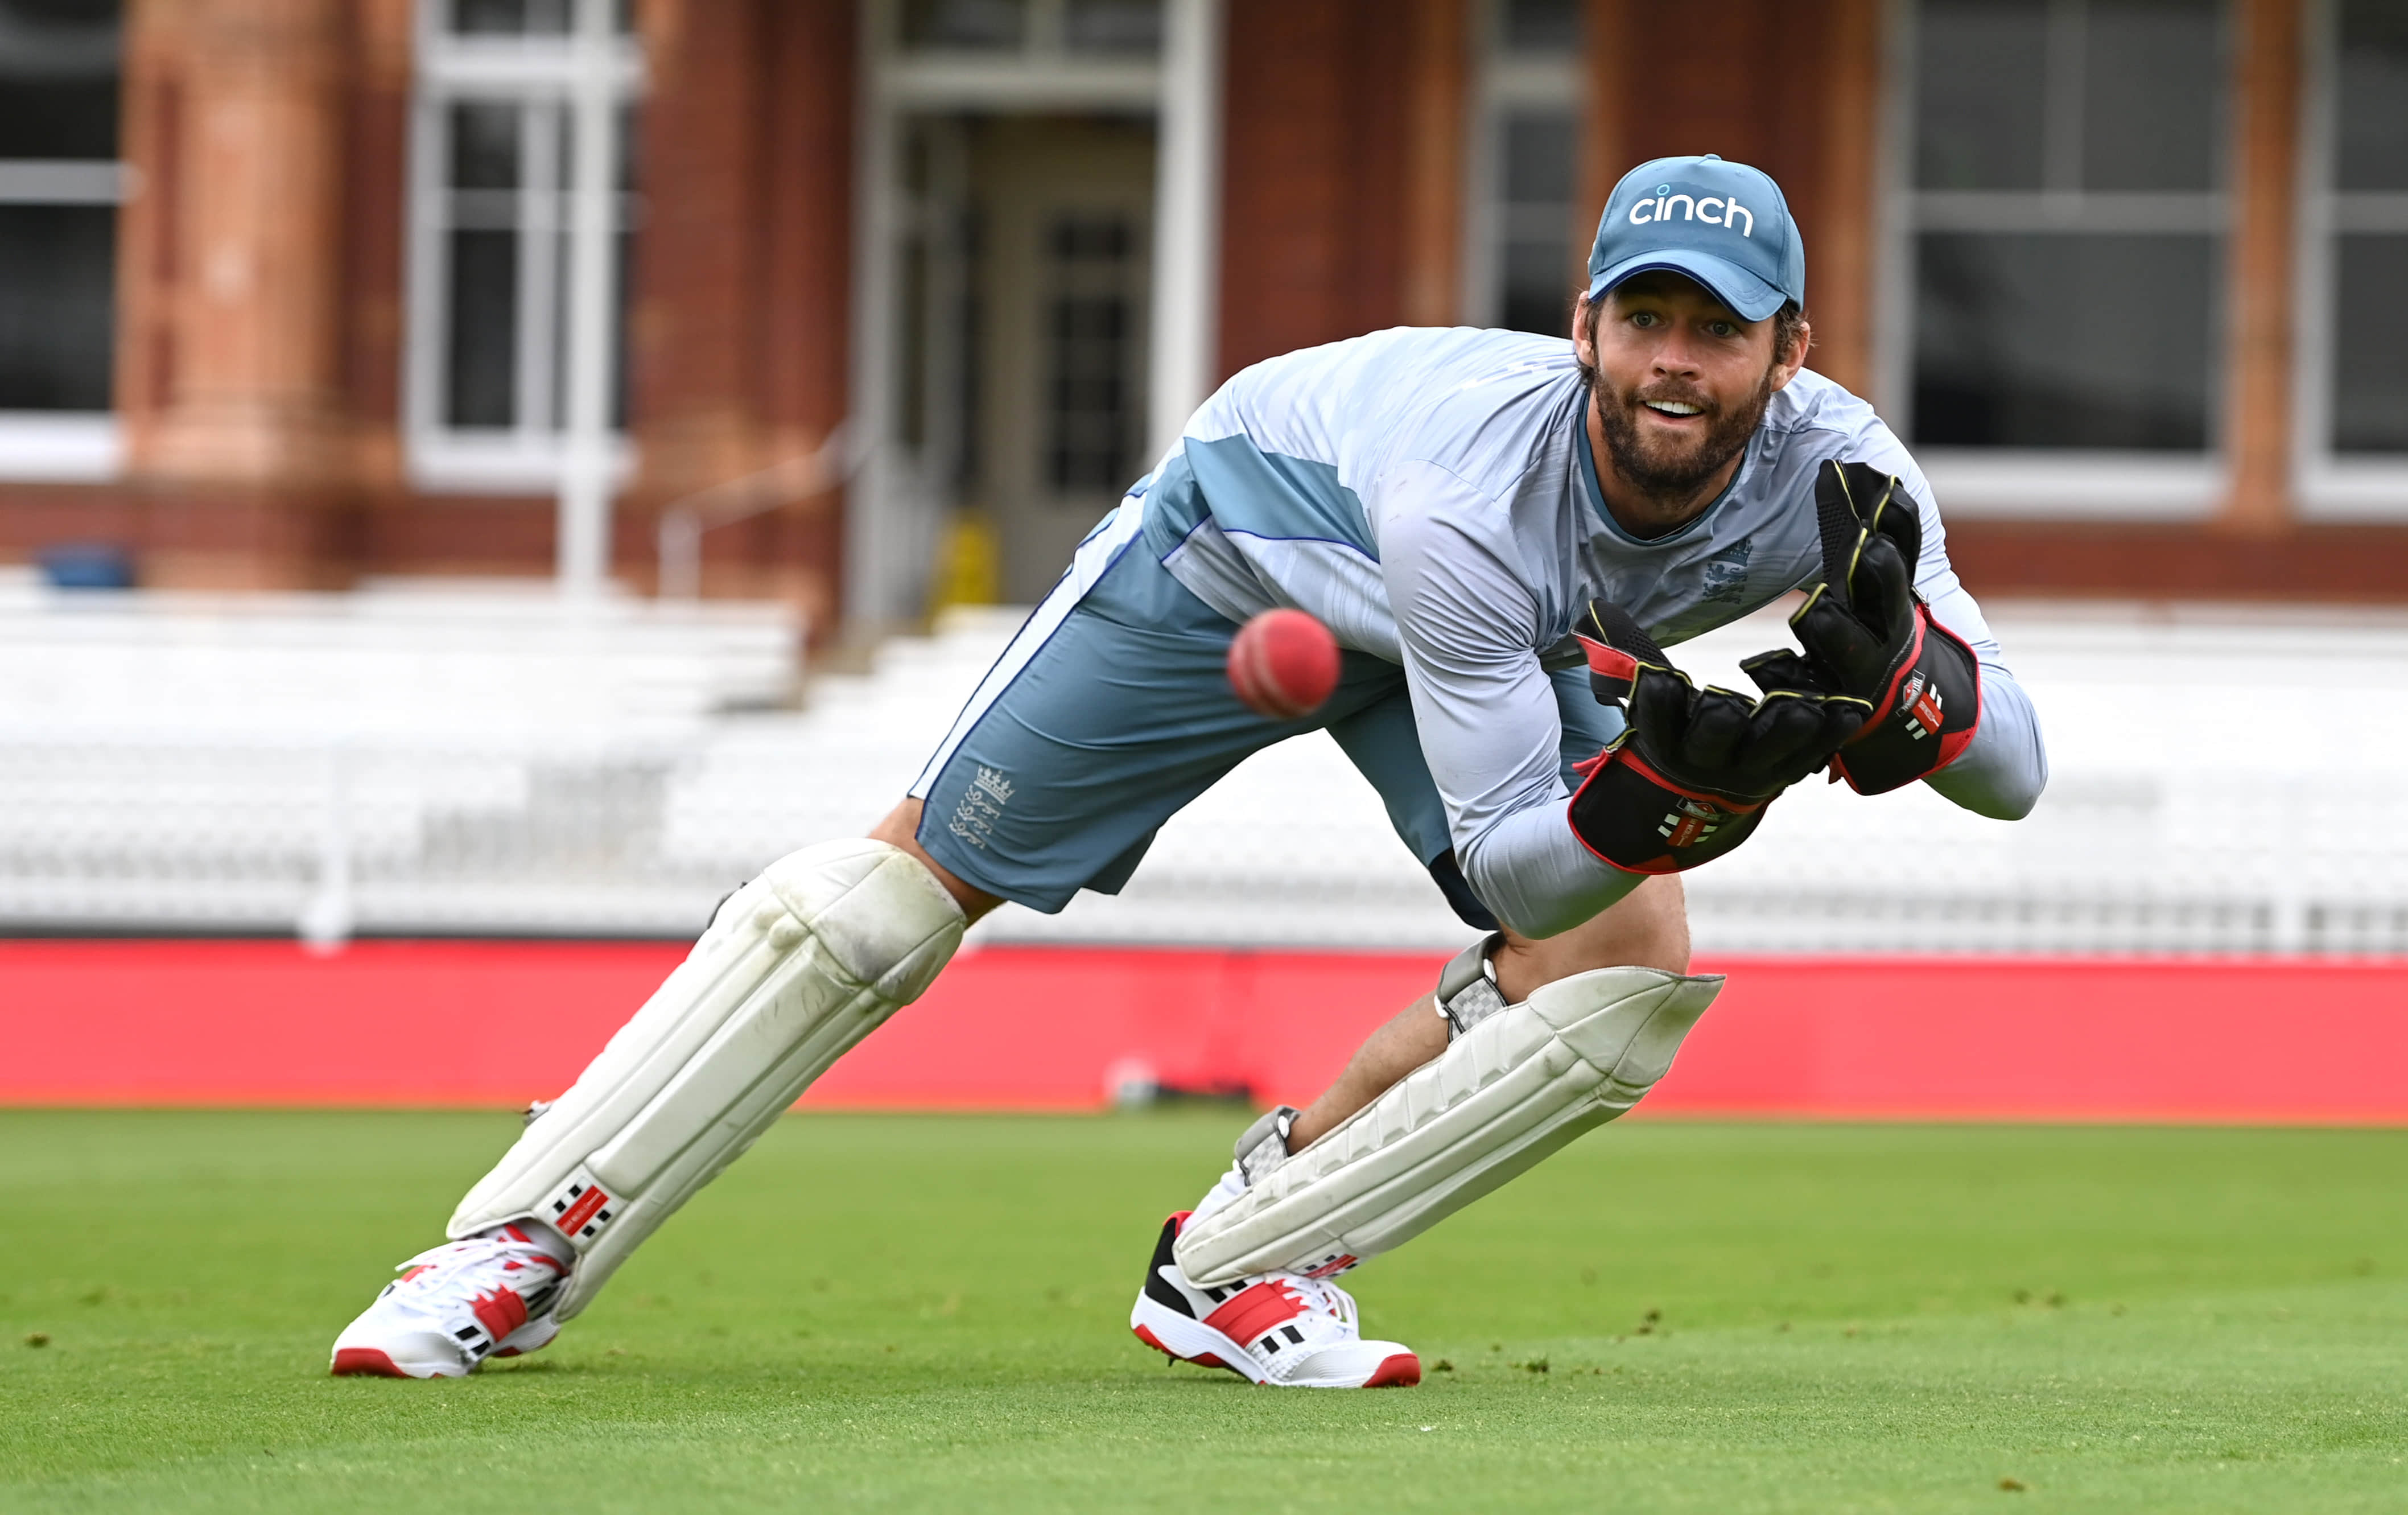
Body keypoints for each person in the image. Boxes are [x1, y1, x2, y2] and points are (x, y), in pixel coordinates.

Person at [329, 154, 2046, 1386]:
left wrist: (1915, 690)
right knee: (887, 902)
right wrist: (1674, 804)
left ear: (1788, 352)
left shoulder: (1845, 474)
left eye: (1719, 330)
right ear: (1584, 325)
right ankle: (512, 1243)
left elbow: (2016, 774)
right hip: (1238, 552)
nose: (1677, 360)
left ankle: (1241, 1263)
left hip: (1484, 633)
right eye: (1646, 317)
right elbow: (1517, 862)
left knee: (1619, 972)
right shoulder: (1472, 489)